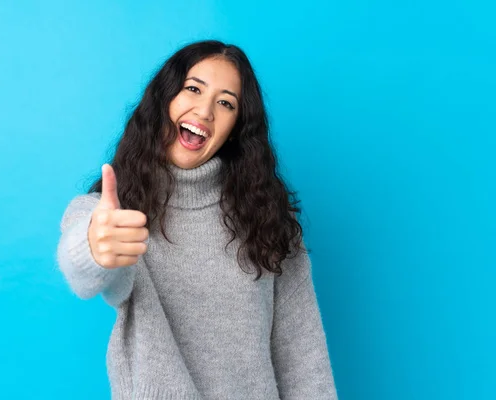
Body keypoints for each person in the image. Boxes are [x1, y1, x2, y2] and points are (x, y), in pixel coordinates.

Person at [56, 40, 338, 399]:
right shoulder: (113, 215)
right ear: (164, 100)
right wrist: (95, 247)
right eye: (192, 89)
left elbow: (302, 355)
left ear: (236, 127)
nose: (205, 111)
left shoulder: (269, 220)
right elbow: (83, 263)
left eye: (225, 103)